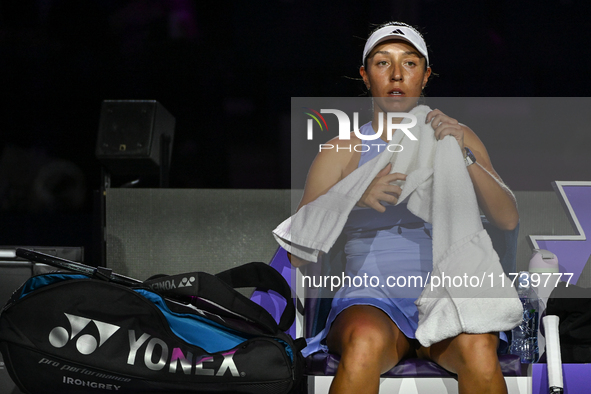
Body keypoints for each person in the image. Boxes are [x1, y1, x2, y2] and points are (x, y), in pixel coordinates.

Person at [289, 22, 519, 394]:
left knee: (479, 348)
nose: (396, 74)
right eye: (383, 63)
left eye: (409, 63)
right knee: (363, 343)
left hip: (447, 291)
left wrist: (464, 155)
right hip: (371, 299)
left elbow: (507, 218)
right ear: (365, 76)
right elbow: (297, 252)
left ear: (425, 76)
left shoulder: (456, 135)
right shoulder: (341, 149)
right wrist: (353, 199)